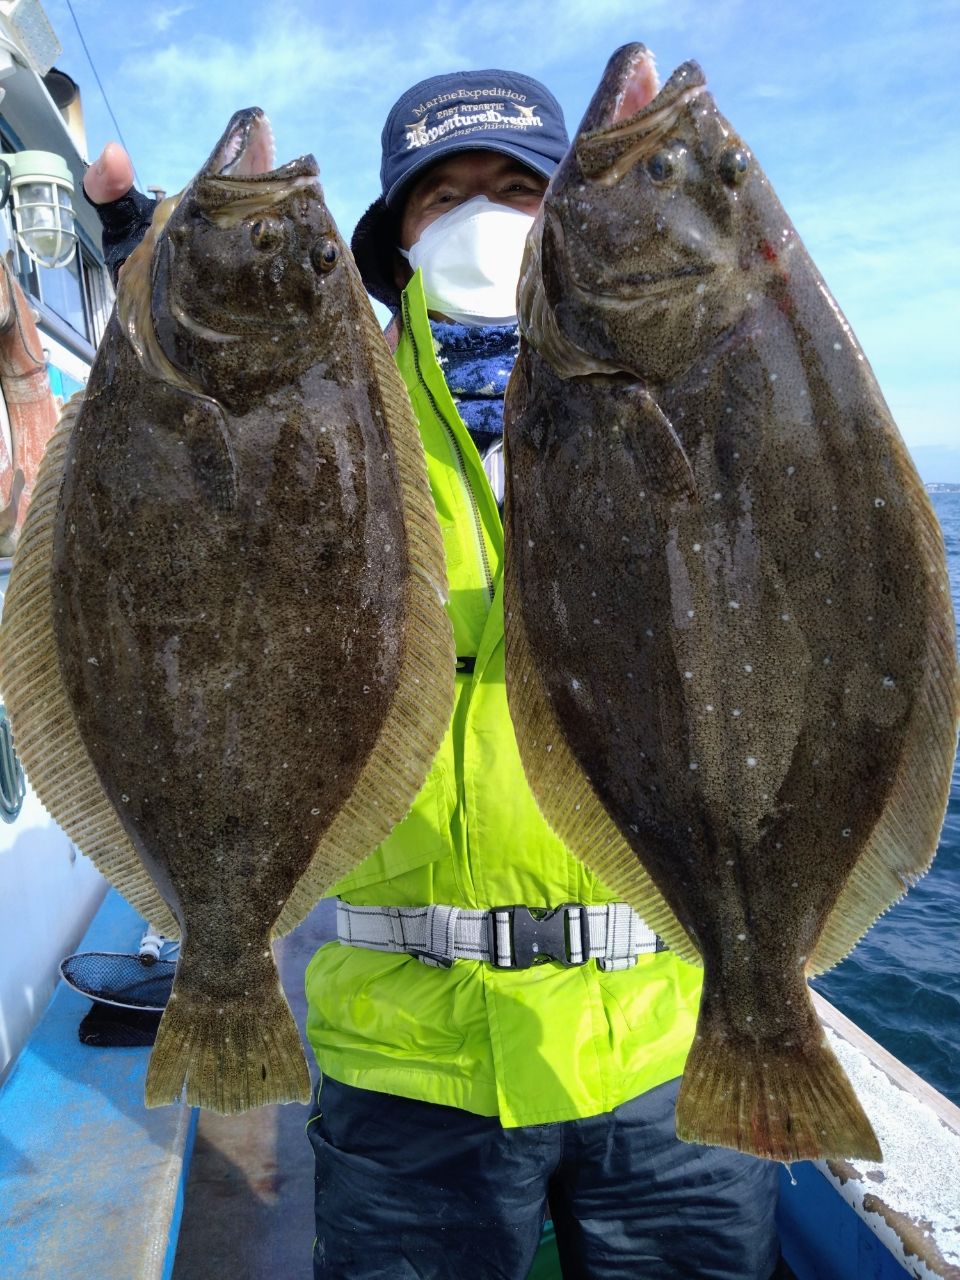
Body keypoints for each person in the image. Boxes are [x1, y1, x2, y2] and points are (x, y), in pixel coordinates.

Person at [84, 69, 782, 1280]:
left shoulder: (685, 395)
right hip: (404, 1054)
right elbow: (186, 475)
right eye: (442, 194)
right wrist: (148, 259)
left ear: (570, 216)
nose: (480, 215)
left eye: (518, 186)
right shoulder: (340, 404)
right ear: (394, 242)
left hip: (666, 1042)